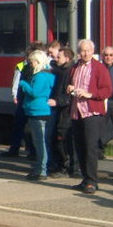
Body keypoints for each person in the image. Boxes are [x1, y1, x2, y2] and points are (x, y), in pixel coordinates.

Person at [66, 39, 113, 194]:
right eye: (82, 51)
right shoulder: (75, 67)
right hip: (76, 112)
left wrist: (90, 94)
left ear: (93, 51)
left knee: (90, 147)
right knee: (79, 147)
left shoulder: (99, 68)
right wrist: (70, 88)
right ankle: (85, 179)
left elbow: (107, 90)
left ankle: (92, 181)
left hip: (92, 112)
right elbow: (69, 85)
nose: (85, 53)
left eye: (87, 50)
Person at [19, 49, 55, 180]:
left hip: (37, 111)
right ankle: (41, 168)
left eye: (32, 62)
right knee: (42, 141)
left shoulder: (40, 76)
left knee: (39, 142)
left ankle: (41, 170)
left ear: (38, 62)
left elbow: (35, 92)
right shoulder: (49, 75)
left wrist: (23, 84)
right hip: (43, 110)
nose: (31, 64)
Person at [46, 45, 75, 176]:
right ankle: (60, 165)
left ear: (67, 58)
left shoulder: (69, 72)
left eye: (59, 57)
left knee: (62, 138)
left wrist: (58, 101)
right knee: (57, 138)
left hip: (65, 111)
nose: (56, 59)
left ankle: (65, 167)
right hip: (61, 109)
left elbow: (69, 95)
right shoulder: (62, 70)